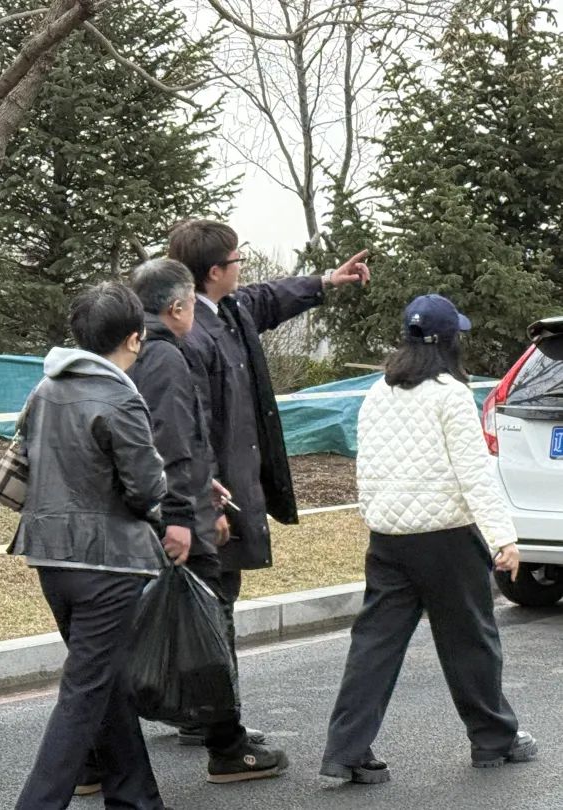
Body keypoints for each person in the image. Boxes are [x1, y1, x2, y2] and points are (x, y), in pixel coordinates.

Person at [320, 293, 537, 784]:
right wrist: (503, 537)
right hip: (446, 537)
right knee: (470, 642)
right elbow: (474, 474)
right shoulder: (450, 393)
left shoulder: (379, 391)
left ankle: (345, 750)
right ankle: (493, 740)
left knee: (374, 644)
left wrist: (375, 516)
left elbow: (367, 466)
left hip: (389, 537)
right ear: (449, 342)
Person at [169, 219, 371, 732]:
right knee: (210, 606)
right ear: (214, 272)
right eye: (236, 261)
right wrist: (204, 502)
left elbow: (268, 297)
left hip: (230, 491)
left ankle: (205, 713)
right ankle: (216, 720)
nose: (243, 269)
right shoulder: (190, 337)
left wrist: (326, 281)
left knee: (216, 600)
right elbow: (187, 429)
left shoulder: (230, 309)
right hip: (210, 498)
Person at [9, 282, 177, 810]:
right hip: (106, 563)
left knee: (100, 680)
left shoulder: (46, 388)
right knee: (84, 694)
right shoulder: (121, 395)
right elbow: (147, 487)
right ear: (135, 337)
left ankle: (136, 797)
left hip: (48, 555)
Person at [129, 257, 288, 783]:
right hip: (177, 520)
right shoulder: (168, 357)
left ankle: (95, 757)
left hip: (139, 516)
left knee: (124, 636)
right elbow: (175, 442)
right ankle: (227, 747)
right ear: (178, 306)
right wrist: (197, 509)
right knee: (208, 626)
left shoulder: (128, 352)